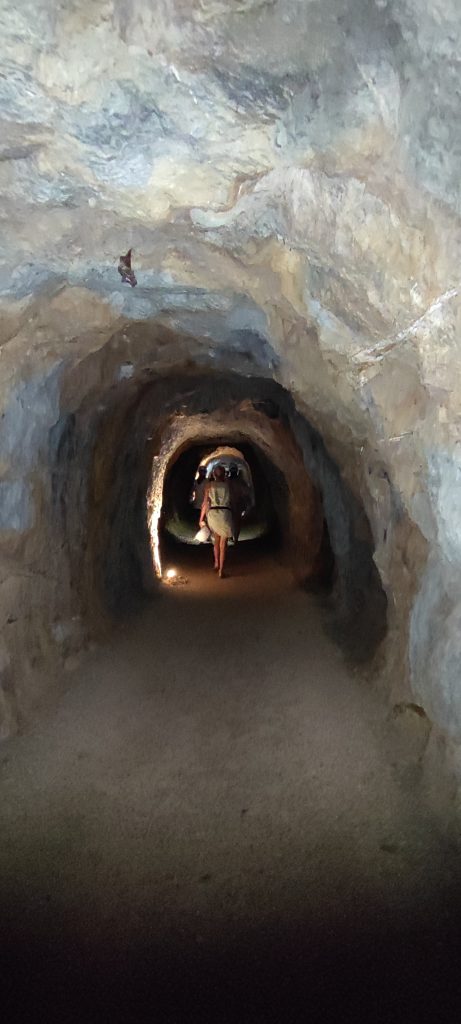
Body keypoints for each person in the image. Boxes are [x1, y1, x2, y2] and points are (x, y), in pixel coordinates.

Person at [200, 464, 233, 577]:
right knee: (223, 545)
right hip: (225, 514)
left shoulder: (209, 486)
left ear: (214, 474)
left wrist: (201, 518)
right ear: (224, 474)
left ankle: (216, 563)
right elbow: (232, 501)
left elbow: (205, 503)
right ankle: (221, 570)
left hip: (213, 514)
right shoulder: (228, 486)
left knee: (216, 541)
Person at [228, 464, 250, 544]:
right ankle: (235, 539)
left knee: (229, 520)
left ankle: (230, 536)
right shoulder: (241, 481)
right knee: (237, 521)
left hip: (229, 504)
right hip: (238, 504)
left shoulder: (227, 481)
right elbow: (246, 492)